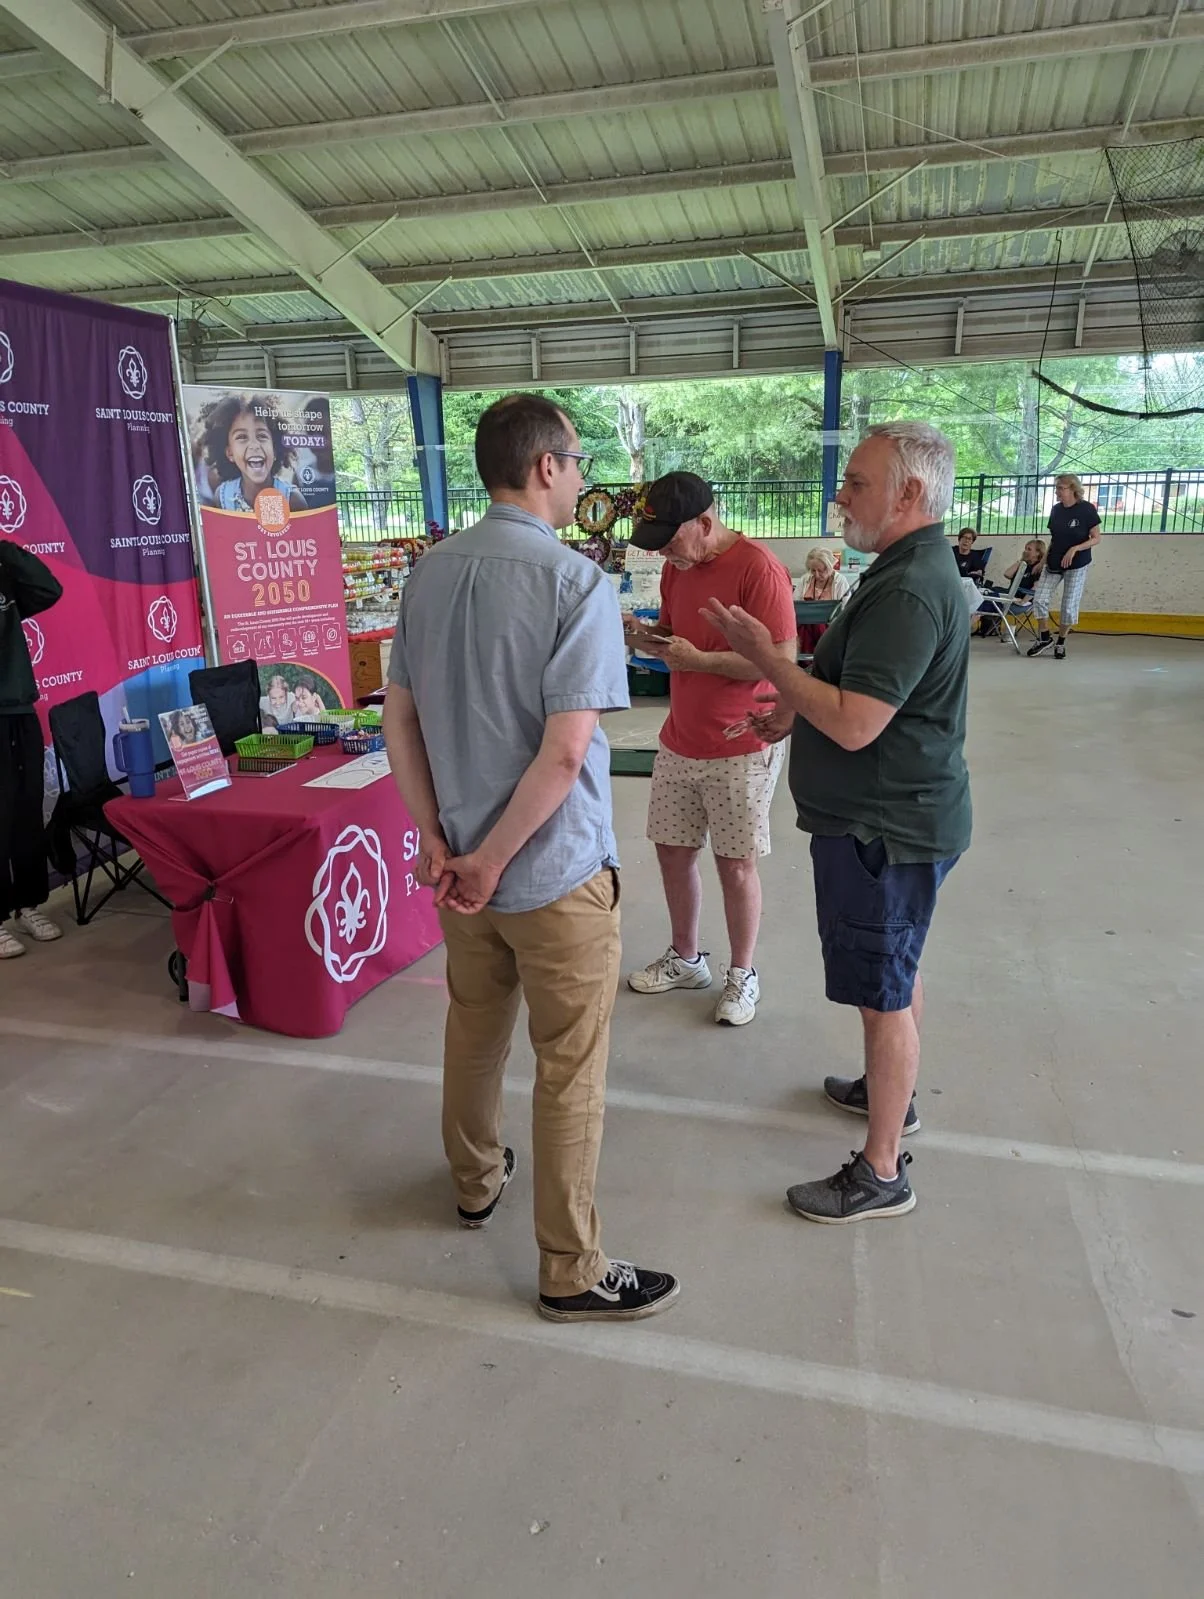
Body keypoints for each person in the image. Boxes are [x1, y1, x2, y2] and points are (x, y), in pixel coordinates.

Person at [383, 393, 679, 1324]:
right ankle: (570, 1266)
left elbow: (399, 716)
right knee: (570, 1064)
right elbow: (563, 754)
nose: (585, 475)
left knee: (474, 1029)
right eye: (579, 459)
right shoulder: (576, 585)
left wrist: (443, 843)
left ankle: (475, 1180)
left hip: (463, 865)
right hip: (551, 875)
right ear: (545, 466)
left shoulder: (426, 576)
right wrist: (494, 859)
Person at [706, 422, 971, 1223]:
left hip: (883, 828)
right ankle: (892, 1093)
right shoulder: (900, 571)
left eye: (857, 482)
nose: (841, 495)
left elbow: (858, 721)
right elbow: (853, 689)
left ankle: (882, 1168)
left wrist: (767, 659)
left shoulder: (911, 586)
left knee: (886, 991)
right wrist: (792, 706)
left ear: (910, 494)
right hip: (892, 819)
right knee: (897, 970)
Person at [622, 473, 796, 1026]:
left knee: (735, 863)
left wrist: (700, 662)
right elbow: (676, 637)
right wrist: (641, 635)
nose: (666, 553)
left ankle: (743, 974)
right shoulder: (678, 567)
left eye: (672, 539)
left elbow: (780, 661)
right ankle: (686, 957)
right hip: (681, 738)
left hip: (740, 740)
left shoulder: (757, 568)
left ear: (705, 521)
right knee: (673, 851)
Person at [0, 540, 64, 959]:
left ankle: (27, 904)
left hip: (18, 708)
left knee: (26, 809)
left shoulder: (5, 569)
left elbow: (48, 590)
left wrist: (6, 550)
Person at [1028, 475, 1102, 659]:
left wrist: (1075, 549)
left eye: (1061, 488)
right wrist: (1043, 561)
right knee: (1039, 599)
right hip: (1054, 561)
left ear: (1073, 489)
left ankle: (1061, 641)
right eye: (1057, 487)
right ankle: (1045, 637)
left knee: (1068, 606)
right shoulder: (1056, 510)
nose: (1057, 491)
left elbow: (1096, 538)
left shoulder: (1086, 510)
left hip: (1077, 564)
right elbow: (1054, 538)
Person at [201, 394, 308, 514]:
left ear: (275, 448)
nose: (254, 445)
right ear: (230, 453)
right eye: (242, 437)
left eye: (262, 436)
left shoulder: (293, 500)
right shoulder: (222, 497)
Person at [976, 539, 1045, 638]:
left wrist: (1022, 601)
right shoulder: (1024, 565)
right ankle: (985, 622)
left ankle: (982, 620)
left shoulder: (1038, 569)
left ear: (1038, 553)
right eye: (1025, 548)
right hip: (1011, 595)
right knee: (990, 591)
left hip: (1023, 600)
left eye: (1029, 549)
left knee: (991, 597)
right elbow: (1007, 574)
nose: (1025, 551)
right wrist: (1021, 560)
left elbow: (1035, 588)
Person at [795, 546, 851, 656]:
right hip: (805, 627)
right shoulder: (805, 579)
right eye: (812, 570)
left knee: (817, 625)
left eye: (821, 571)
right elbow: (794, 605)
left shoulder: (840, 582)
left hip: (830, 627)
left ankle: (811, 662)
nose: (816, 575)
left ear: (830, 567)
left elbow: (846, 609)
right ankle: (818, 659)